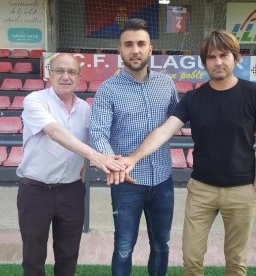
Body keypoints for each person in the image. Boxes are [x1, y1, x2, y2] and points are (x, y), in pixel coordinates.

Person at [122, 29, 256, 276]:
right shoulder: (193, 98)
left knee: (236, 263)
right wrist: (132, 158)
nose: (218, 62)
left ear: (235, 58)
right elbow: (164, 131)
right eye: (211, 57)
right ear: (204, 63)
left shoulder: (254, 94)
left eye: (224, 55)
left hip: (242, 190)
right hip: (201, 190)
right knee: (191, 261)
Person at [16, 53, 126, 276]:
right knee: (33, 256)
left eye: (72, 72)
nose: (65, 76)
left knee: (68, 254)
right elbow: (55, 133)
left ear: (79, 76)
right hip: (36, 191)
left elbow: (90, 141)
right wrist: (97, 157)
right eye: (59, 71)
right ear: (49, 73)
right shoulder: (35, 100)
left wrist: (88, 171)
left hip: (71, 191)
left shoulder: (85, 109)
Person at [90, 18, 179, 276]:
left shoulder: (166, 85)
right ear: (119, 50)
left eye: (141, 44)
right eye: (128, 44)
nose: (135, 50)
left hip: (162, 179)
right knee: (124, 247)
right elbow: (98, 133)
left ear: (151, 48)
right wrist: (114, 165)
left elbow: (176, 121)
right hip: (126, 183)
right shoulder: (108, 90)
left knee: (162, 246)